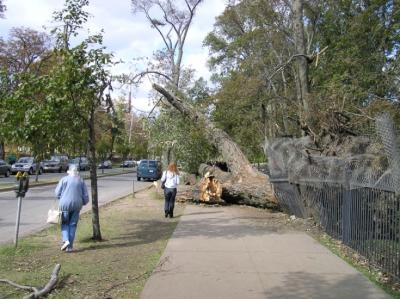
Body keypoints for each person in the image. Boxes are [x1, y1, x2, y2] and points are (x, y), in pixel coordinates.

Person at [55, 164, 89, 252]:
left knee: (65, 223)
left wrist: (61, 197)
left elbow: (57, 193)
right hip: (77, 205)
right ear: (77, 172)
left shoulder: (64, 179)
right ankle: (69, 247)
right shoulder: (81, 180)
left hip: (64, 205)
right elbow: (85, 195)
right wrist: (84, 202)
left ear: (68, 172)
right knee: (73, 225)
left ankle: (66, 240)